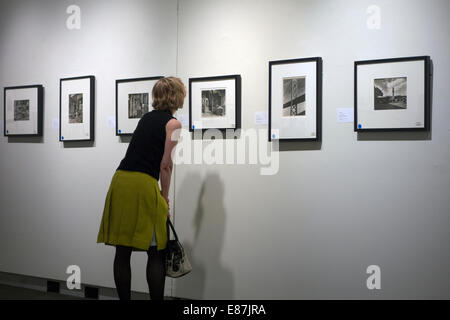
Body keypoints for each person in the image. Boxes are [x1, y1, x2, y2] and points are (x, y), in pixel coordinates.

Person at [97, 77, 185, 300]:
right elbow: (166, 165)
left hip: (120, 180)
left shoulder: (146, 118)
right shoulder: (173, 124)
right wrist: (164, 199)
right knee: (156, 251)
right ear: (176, 95)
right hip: (143, 184)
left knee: (122, 249)